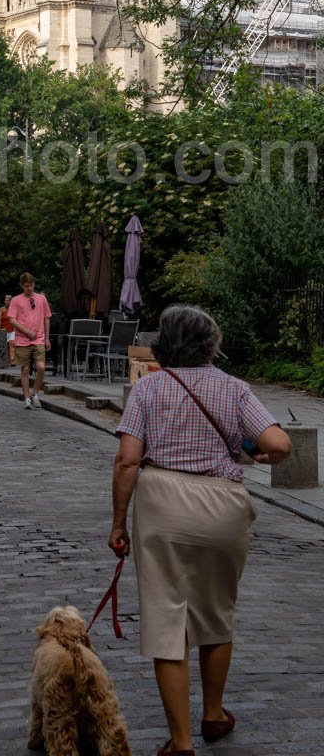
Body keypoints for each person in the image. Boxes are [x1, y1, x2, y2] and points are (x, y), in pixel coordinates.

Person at [109, 304, 292, 756]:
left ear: (164, 344)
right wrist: (265, 458)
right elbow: (278, 444)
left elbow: (128, 459)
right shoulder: (234, 389)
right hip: (222, 505)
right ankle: (213, 715)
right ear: (211, 343)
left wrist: (118, 523)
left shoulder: (148, 388)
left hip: (163, 504)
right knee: (215, 616)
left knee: (167, 621)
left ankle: (182, 742)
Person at [7, 273, 52, 408]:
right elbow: (12, 319)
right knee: (25, 369)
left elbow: (46, 318)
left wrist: (47, 338)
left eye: (31, 285)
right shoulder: (16, 300)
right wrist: (26, 331)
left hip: (39, 338)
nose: (29, 288)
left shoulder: (41, 299)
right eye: (26, 286)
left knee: (41, 367)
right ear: (22, 286)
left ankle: (35, 393)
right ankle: (26, 397)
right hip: (23, 339)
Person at [0, 294, 16, 367]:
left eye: (7, 300)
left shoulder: (13, 309)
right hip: (3, 329)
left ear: (10, 301)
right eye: (5, 300)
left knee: (12, 344)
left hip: (12, 329)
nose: (5, 302)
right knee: (4, 346)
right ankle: (5, 360)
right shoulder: (2, 309)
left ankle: (12, 360)